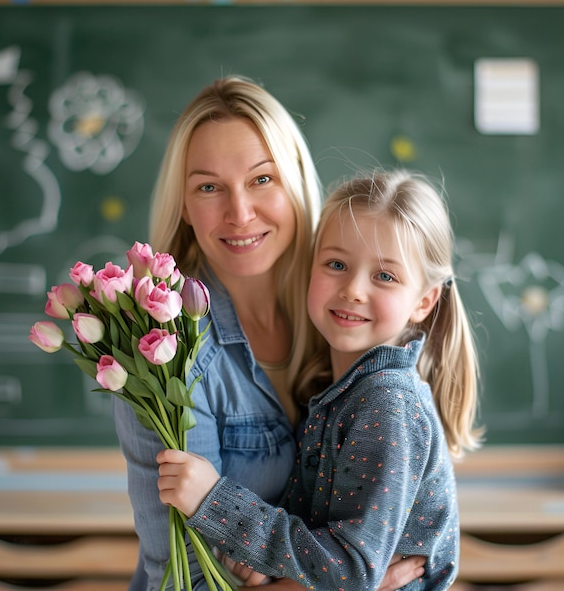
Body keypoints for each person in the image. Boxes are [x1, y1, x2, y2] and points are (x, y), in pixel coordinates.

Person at [112, 76, 427, 590]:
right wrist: (342, 583)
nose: (239, 213)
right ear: (185, 208)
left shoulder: (344, 313)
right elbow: (187, 581)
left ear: (295, 181)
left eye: (262, 179)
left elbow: (400, 519)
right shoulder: (164, 350)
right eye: (208, 187)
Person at [157, 169, 485, 589]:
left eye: (384, 276)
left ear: (424, 301)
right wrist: (272, 565)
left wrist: (214, 502)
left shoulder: (387, 404)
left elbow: (350, 572)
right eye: (336, 264)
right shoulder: (336, 390)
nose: (353, 290)